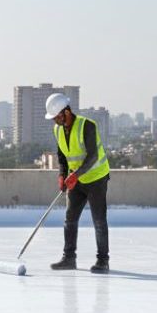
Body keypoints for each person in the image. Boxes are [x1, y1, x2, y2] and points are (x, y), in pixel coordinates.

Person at [44, 93, 111, 274]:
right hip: (76, 180)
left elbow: (93, 156)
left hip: (96, 178)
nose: (55, 121)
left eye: (57, 116)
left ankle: (103, 261)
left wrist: (76, 175)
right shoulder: (58, 129)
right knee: (70, 219)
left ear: (66, 112)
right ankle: (69, 258)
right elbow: (62, 155)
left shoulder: (87, 126)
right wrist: (62, 174)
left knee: (98, 220)